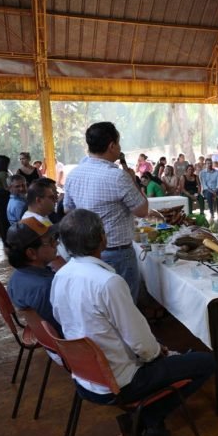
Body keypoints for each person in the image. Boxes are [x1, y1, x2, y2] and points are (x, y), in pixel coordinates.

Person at [51, 209, 215, 436]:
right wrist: (160, 352)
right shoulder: (107, 282)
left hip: (85, 378)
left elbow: (62, 319)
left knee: (172, 355)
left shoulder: (61, 275)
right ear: (102, 239)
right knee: (205, 362)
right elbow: (143, 346)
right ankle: (151, 415)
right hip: (121, 382)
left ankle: (151, 419)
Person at [63, 122, 149, 303]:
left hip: (86, 253)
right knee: (124, 306)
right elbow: (142, 210)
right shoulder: (118, 177)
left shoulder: (74, 174)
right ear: (111, 146)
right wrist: (134, 182)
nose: (119, 148)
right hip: (117, 253)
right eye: (118, 143)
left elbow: (68, 211)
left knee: (98, 303)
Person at [6, 217, 62, 335]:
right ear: (31, 253)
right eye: (51, 240)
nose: (56, 242)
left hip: (47, 340)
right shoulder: (46, 287)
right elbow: (63, 327)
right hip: (64, 345)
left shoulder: (16, 278)